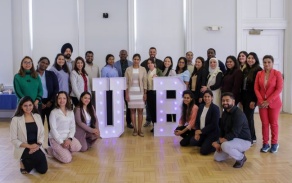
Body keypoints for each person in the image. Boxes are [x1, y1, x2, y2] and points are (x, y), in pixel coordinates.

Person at [212, 92, 251, 168]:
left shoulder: (239, 114)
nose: (225, 102)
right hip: (231, 140)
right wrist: (219, 140)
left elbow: (234, 133)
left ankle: (241, 158)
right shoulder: (225, 113)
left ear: (233, 101)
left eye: (227, 100)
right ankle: (235, 151)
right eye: (223, 101)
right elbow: (222, 129)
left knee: (225, 145)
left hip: (244, 140)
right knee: (217, 158)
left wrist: (218, 142)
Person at [10, 96, 48, 174]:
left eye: (30, 105)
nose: (28, 108)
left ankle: (28, 161)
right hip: (23, 147)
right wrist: (30, 146)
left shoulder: (37, 116)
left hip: (36, 146)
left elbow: (42, 133)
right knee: (40, 157)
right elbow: (13, 139)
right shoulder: (15, 119)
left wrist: (37, 145)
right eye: (25, 105)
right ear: (21, 106)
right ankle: (22, 162)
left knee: (43, 170)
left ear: (33, 105)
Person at [254, 55, 283, 153]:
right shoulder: (259, 74)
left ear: (272, 63)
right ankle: (265, 144)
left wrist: (268, 101)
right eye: (265, 62)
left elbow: (279, 89)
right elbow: (256, 88)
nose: (266, 64)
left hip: (274, 103)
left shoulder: (277, 73)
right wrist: (262, 101)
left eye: (269, 62)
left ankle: (274, 143)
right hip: (262, 103)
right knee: (264, 124)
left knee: (273, 123)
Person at [47, 91, 82, 163]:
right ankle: (52, 151)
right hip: (56, 138)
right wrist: (61, 142)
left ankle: (63, 150)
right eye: (59, 98)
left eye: (64, 98)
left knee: (78, 147)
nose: (62, 100)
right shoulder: (53, 112)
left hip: (66, 136)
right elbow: (53, 129)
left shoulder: (70, 111)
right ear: (57, 100)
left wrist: (69, 139)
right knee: (67, 159)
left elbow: (72, 127)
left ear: (67, 100)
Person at [190, 90, 220, 155]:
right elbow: (197, 121)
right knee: (192, 142)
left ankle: (216, 144)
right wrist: (197, 131)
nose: (206, 98)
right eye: (205, 96)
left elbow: (214, 124)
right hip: (202, 132)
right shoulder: (201, 106)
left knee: (203, 151)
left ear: (212, 98)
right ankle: (206, 143)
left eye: (208, 96)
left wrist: (201, 131)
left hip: (212, 133)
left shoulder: (215, 108)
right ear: (203, 97)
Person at [241, 52, 262, 144]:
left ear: (256, 60)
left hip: (252, 97)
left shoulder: (258, 70)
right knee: (246, 117)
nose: (250, 60)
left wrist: (254, 100)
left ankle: (252, 137)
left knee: (249, 118)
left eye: (252, 58)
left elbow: (258, 87)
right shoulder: (245, 69)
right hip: (245, 96)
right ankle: (247, 135)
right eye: (249, 58)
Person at [125, 54, 147, 137]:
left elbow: (145, 82)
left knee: (140, 111)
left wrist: (145, 93)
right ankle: (135, 129)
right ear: (132, 60)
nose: (136, 61)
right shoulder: (128, 69)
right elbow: (126, 83)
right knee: (132, 111)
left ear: (140, 60)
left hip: (140, 93)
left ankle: (140, 130)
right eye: (134, 59)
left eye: (138, 59)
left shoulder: (143, 69)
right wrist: (126, 94)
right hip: (131, 93)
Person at [36, 57, 59, 131]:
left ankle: (51, 142)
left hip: (50, 102)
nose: (44, 64)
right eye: (42, 62)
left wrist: (51, 101)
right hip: (38, 102)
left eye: (46, 64)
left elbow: (56, 88)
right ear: (38, 62)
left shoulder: (51, 74)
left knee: (52, 126)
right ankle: (39, 142)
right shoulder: (33, 74)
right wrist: (39, 102)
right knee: (39, 125)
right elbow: (32, 90)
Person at [114, 50, 134, 129]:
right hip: (118, 87)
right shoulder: (115, 64)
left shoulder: (131, 64)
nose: (123, 55)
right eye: (121, 54)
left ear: (127, 55)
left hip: (128, 87)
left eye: (124, 54)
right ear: (119, 55)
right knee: (117, 105)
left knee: (128, 105)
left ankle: (129, 122)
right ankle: (117, 122)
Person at [147, 58, 163, 133]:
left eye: (151, 63)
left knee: (158, 110)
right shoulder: (147, 72)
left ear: (154, 64)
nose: (150, 64)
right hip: (149, 93)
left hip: (157, 93)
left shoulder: (158, 71)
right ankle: (154, 125)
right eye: (148, 63)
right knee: (151, 110)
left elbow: (163, 81)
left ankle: (159, 126)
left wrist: (158, 78)